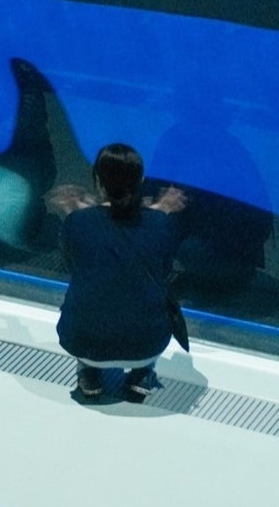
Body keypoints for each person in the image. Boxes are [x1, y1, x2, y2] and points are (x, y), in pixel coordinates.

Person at [49, 143, 189, 402]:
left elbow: (74, 264)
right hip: (147, 344)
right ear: (141, 181)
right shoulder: (161, 225)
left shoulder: (77, 222)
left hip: (84, 342)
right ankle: (141, 373)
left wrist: (77, 211)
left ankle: (89, 372)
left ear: (98, 181)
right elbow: (164, 269)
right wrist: (159, 210)